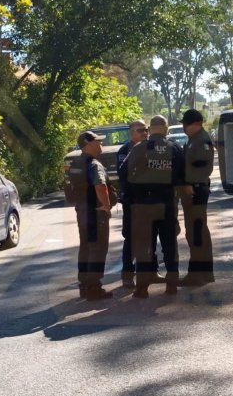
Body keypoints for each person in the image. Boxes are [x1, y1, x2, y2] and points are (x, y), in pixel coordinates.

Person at [120, 115, 185, 298]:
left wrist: (132, 196)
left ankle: (142, 288)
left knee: (144, 247)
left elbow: (123, 173)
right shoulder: (174, 148)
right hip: (167, 204)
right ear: (165, 128)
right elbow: (184, 176)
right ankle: (172, 284)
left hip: (143, 205)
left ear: (150, 128)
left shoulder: (139, 149)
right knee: (169, 244)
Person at [69, 130, 114, 301]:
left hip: (82, 211)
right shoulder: (94, 164)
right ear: (89, 144)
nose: (101, 144)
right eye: (98, 142)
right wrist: (106, 206)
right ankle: (94, 288)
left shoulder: (76, 163)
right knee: (97, 248)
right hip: (96, 212)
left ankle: (84, 285)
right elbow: (100, 186)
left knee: (86, 247)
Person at [179, 108, 215, 286]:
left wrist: (189, 183)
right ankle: (203, 273)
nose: (184, 127)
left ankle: (198, 274)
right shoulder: (194, 139)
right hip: (194, 190)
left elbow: (203, 168)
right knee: (197, 232)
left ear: (196, 124)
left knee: (196, 233)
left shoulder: (201, 140)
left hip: (195, 190)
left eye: (186, 124)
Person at [116, 120, 149, 287]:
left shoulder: (152, 147)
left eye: (146, 129)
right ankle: (127, 274)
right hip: (132, 202)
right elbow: (124, 174)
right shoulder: (124, 151)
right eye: (140, 130)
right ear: (131, 133)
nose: (144, 133)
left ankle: (146, 272)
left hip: (149, 201)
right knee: (130, 238)